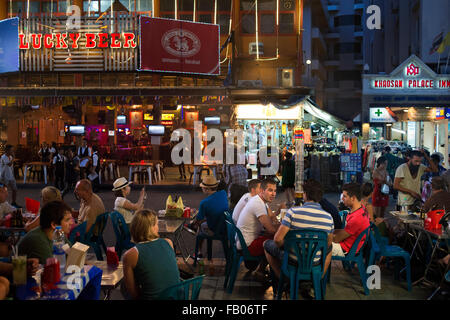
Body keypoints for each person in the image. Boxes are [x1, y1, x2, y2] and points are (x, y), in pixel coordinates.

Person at [263, 179, 334, 281]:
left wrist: (286, 246)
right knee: (330, 248)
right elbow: (328, 243)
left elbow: (277, 239)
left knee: (267, 244)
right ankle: (318, 278)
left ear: (305, 194)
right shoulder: (328, 217)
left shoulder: (293, 212)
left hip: (293, 261)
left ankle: (282, 278)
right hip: (315, 263)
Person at [122, 209, 180, 300]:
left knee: (124, 287)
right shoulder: (168, 242)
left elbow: (133, 293)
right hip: (176, 297)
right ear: (151, 227)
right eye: (157, 224)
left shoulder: (131, 255)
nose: (158, 228)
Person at [236, 179, 280, 262]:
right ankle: (279, 273)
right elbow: (271, 230)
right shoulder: (258, 204)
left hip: (244, 241)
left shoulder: (258, 200)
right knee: (279, 241)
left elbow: (271, 219)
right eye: (270, 190)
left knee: (276, 237)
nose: (273, 194)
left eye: (275, 191)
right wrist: (286, 226)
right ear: (262, 191)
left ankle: (261, 271)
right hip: (247, 246)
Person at [190, 175, 229, 258]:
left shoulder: (204, 202)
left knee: (198, 227)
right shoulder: (223, 193)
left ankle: (198, 252)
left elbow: (199, 220)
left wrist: (194, 222)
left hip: (214, 229)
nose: (201, 188)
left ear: (206, 189)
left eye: (203, 187)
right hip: (225, 225)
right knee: (202, 222)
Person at [331, 183, 370, 258]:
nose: (342, 199)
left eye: (345, 196)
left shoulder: (356, 218)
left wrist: (323, 236)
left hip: (346, 250)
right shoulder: (362, 208)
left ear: (353, 198)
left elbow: (336, 239)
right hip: (351, 245)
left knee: (317, 245)